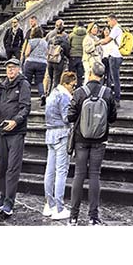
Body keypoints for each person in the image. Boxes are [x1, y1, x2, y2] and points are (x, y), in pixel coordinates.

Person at [67, 60, 117, 225]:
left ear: (90, 73)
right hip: (100, 140)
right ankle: (93, 217)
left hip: (81, 139)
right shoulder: (107, 92)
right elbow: (112, 118)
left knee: (79, 175)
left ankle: (73, 217)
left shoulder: (80, 92)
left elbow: (70, 116)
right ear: (102, 76)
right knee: (95, 175)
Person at [0, 58, 31, 217]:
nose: (10, 70)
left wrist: (16, 121)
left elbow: (25, 107)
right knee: (3, 167)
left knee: (13, 168)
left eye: (13, 68)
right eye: (8, 68)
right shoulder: (3, 85)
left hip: (16, 132)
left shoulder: (23, 84)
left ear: (18, 69)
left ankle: (9, 202)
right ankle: (2, 197)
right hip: (2, 131)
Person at [42, 70, 76, 220]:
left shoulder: (52, 94)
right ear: (66, 83)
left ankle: (49, 205)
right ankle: (59, 207)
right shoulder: (64, 97)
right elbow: (66, 117)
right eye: (73, 85)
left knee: (50, 170)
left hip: (50, 134)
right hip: (62, 134)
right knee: (61, 171)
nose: (74, 88)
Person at [21, 25, 49, 105]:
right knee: (39, 81)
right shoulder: (44, 42)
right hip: (42, 63)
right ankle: (42, 95)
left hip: (30, 62)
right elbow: (47, 53)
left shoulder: (31, 41)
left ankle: (26, 97)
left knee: (27, 81)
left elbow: (27, 53)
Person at [46, 19, 71, 100]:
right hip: (58, 61)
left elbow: (47, 47)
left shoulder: (50, 37)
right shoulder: (64, 39)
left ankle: (48, 94)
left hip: (50, 60)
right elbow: (67, 51)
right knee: (56, 79)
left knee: (50, 78)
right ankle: (53, 97)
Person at [101, 14, 124, 99]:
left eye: (108, 21)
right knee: (115, 78)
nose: (108, 23)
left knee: (114, 79)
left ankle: (116, 98)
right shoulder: (121, 28)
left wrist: (96, 43)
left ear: (113, 20)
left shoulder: (116, 29)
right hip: (119, 55)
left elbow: (107, 40)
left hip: (115, 55)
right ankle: (116, 96)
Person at [69, 21, 89, 88]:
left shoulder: (72, 34)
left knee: (71, 74)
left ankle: (71, 87)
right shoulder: (86, 35)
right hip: (82, 56)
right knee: (80, 75)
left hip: (73, 56)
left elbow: (68, 44)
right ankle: (79, 87)